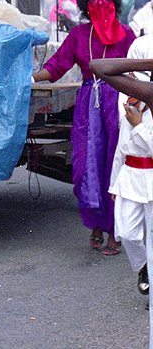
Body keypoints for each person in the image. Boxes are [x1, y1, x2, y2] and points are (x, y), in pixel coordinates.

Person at [33, 0, 137, 255]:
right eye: (94, 1)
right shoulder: (79, 34)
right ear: (86, 6)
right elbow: (57, 66)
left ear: (114, 3)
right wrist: (31, 78)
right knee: (83, 166)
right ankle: (95, 224)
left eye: (106, 1)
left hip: (118, 107)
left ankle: (115, 231)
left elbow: (139, 73)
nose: (100, 6)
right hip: (86, 107)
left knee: (114, 167)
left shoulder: (127, 35)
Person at [91, 50, 153, 349]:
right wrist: (115, 181)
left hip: (151, 177)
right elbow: (121, 145)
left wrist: (140, 124)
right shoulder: (124, 100)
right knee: (127, 233)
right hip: (129, 175)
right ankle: (143, 268)